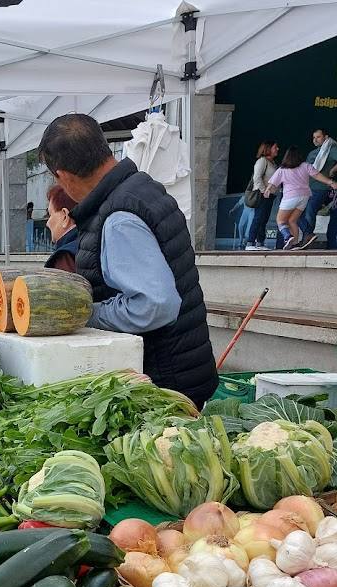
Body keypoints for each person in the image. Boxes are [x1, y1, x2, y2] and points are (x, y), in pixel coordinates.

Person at [36, 113, 219, 407]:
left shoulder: (120, 219)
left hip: (163, 384)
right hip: (182, 369)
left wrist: (86, 314)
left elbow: (155, 305)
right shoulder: (141, 187)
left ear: (64, 176)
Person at [264, 147, 337, 250]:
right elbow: (317, 175)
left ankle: (287, 236)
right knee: (292, 220)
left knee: (280, 220)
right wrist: (330, 182)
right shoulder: (305, 166)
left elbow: (273, 182)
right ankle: (296, 243)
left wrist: (268, 190)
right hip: (304, 197)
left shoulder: (282, 169)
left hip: (290, 197)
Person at [299, 128, 337, 248]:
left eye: (318, 137)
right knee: (298, 213)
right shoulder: (313, 153)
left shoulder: (330, 150)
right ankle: (308, 236)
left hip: (320, 188)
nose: (315, 140)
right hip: (307, 187)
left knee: (309, 213)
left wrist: (333, 170)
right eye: (313, 137)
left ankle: (308, 240)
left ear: (326, 137)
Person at [245, 140, 279, 251]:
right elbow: (257, 178)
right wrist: (264, 191)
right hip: (262, 194)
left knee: (264, 219)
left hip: (270, 195)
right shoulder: (262, 161)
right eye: (275, 147)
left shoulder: (272, 163)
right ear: (268, 149)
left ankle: (260, 242)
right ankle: (250, 242)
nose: (277, 149)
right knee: (258, 218)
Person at [44, 184, 79, 272]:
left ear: (65, 216)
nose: (47, 223)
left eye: (50, 214)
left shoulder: (66, 257)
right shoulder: (99, 243)